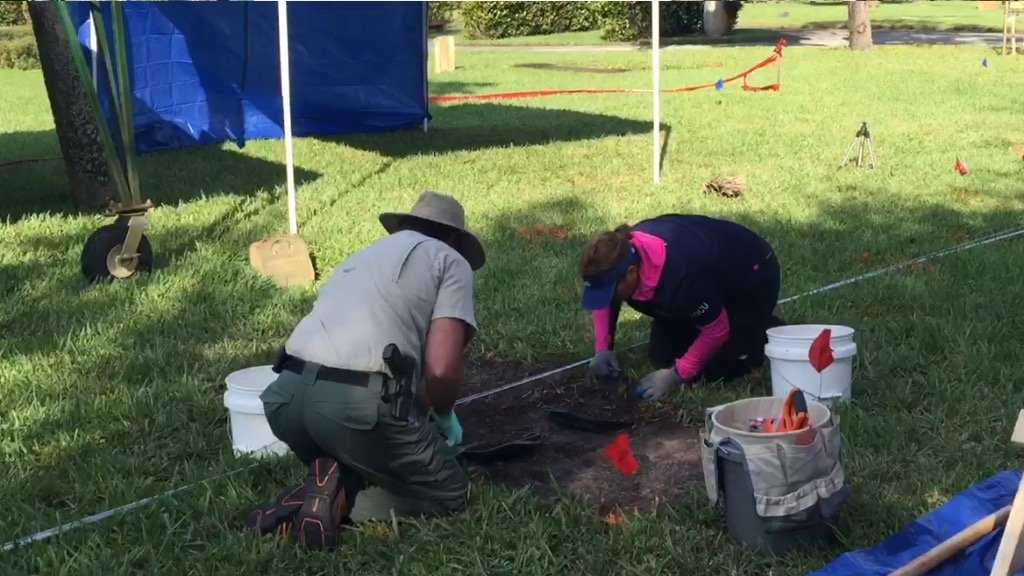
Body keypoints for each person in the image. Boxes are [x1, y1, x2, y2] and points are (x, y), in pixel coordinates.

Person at [245, 191, 484, 550]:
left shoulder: (362, 256)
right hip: (355, 407)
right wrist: (444, 412)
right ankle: (340, 502)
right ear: (454, 239)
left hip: (286, 396)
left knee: (365, 454)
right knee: (452, 494)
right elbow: (441, 368)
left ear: (405, 225)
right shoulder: (451, 261)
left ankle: (326, 484)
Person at [580, 214, 781, 401]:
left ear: (632, 273)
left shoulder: (682, 275)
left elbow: (716, 330)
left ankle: (760, 330)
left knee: (711, 369)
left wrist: (676, 376)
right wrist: (602, 349)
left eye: (611, 291)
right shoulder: (620, 253)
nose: (607, 297)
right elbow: (604, 299)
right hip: (705, 281)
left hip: (751, 275)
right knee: (663, 356)